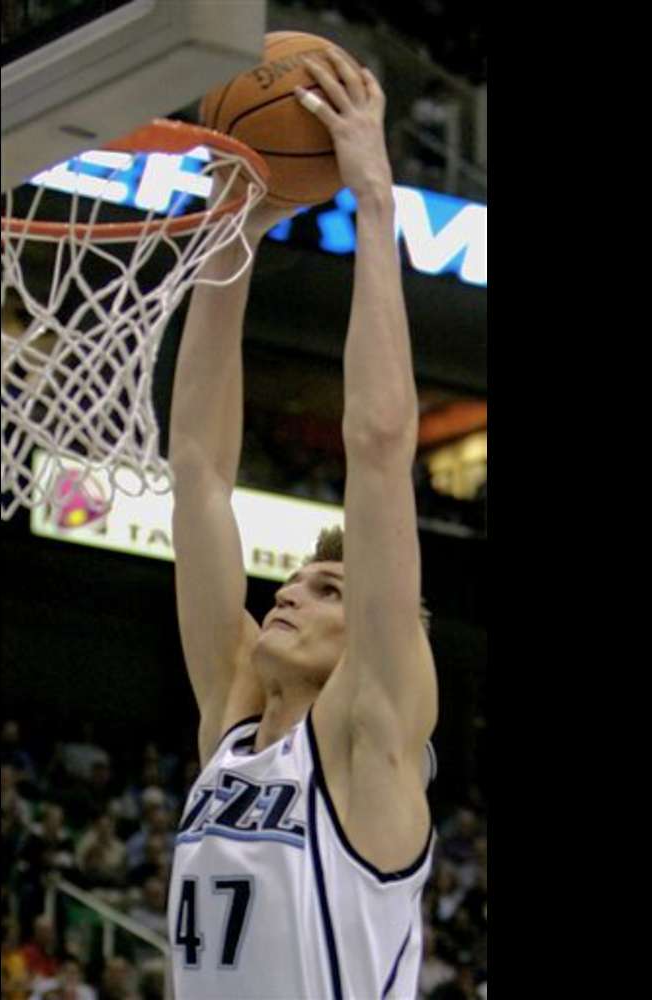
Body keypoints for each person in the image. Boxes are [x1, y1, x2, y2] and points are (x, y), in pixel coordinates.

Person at [167, 50, 438, 999]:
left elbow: (379, 445)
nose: (288, 591)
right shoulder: (232, 724)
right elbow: (199, 469)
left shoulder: (371, 742)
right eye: (300, 578)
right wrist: (232, 231)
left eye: (329, 590)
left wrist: (373, 201)